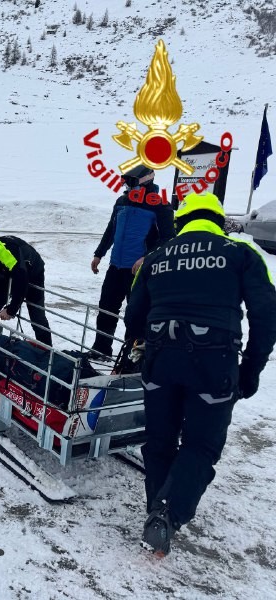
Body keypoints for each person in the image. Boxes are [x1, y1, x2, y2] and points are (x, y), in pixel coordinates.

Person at [124, 192, 276, 557]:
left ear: (181, 222)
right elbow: (267, 315)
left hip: (160, 362)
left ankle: (156, 516)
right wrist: (250, 370)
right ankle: (166, 515)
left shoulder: (157, 257)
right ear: (217, 220)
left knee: (159, 441)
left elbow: (133, 317)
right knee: (201, 445)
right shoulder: (242, 254)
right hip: (213, 364)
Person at [89, 165, 175, 358]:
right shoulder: (121, 201)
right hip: (116, 266)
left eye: (131, 182)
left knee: (135, 315)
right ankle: (101, 349)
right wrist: (99, 253)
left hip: (139, 271)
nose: (127, 186)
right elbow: (111, 229)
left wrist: (147, 258)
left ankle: (131, 355)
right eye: (126, 182)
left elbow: (168, 238)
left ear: (145, 181)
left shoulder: (160, 205)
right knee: (106, 309)